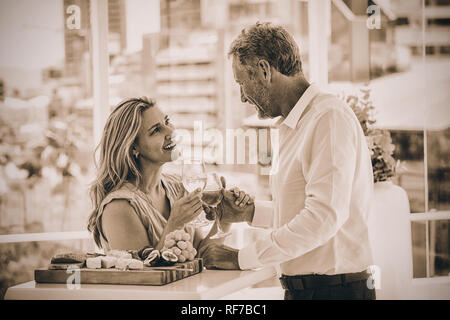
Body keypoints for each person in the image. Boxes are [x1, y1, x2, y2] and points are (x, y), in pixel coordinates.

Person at [199, 22, 376, 300]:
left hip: (334, 292)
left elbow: (323, 218)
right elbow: (303, 211)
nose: (243, 97)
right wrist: (249, 213)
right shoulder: (295, 125)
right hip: (310, 291)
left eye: (241, 83)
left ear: (264, 70)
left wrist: (241, 258)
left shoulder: (328, 118)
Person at [87, 97, 252, 252]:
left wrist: (225, 218)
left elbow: (201, 256)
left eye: (166, 121)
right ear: (133, 148)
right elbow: (140, 277)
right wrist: (175, 224)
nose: (171, 131)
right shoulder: (119, 207)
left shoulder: (176, 186)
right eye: (156, 130)